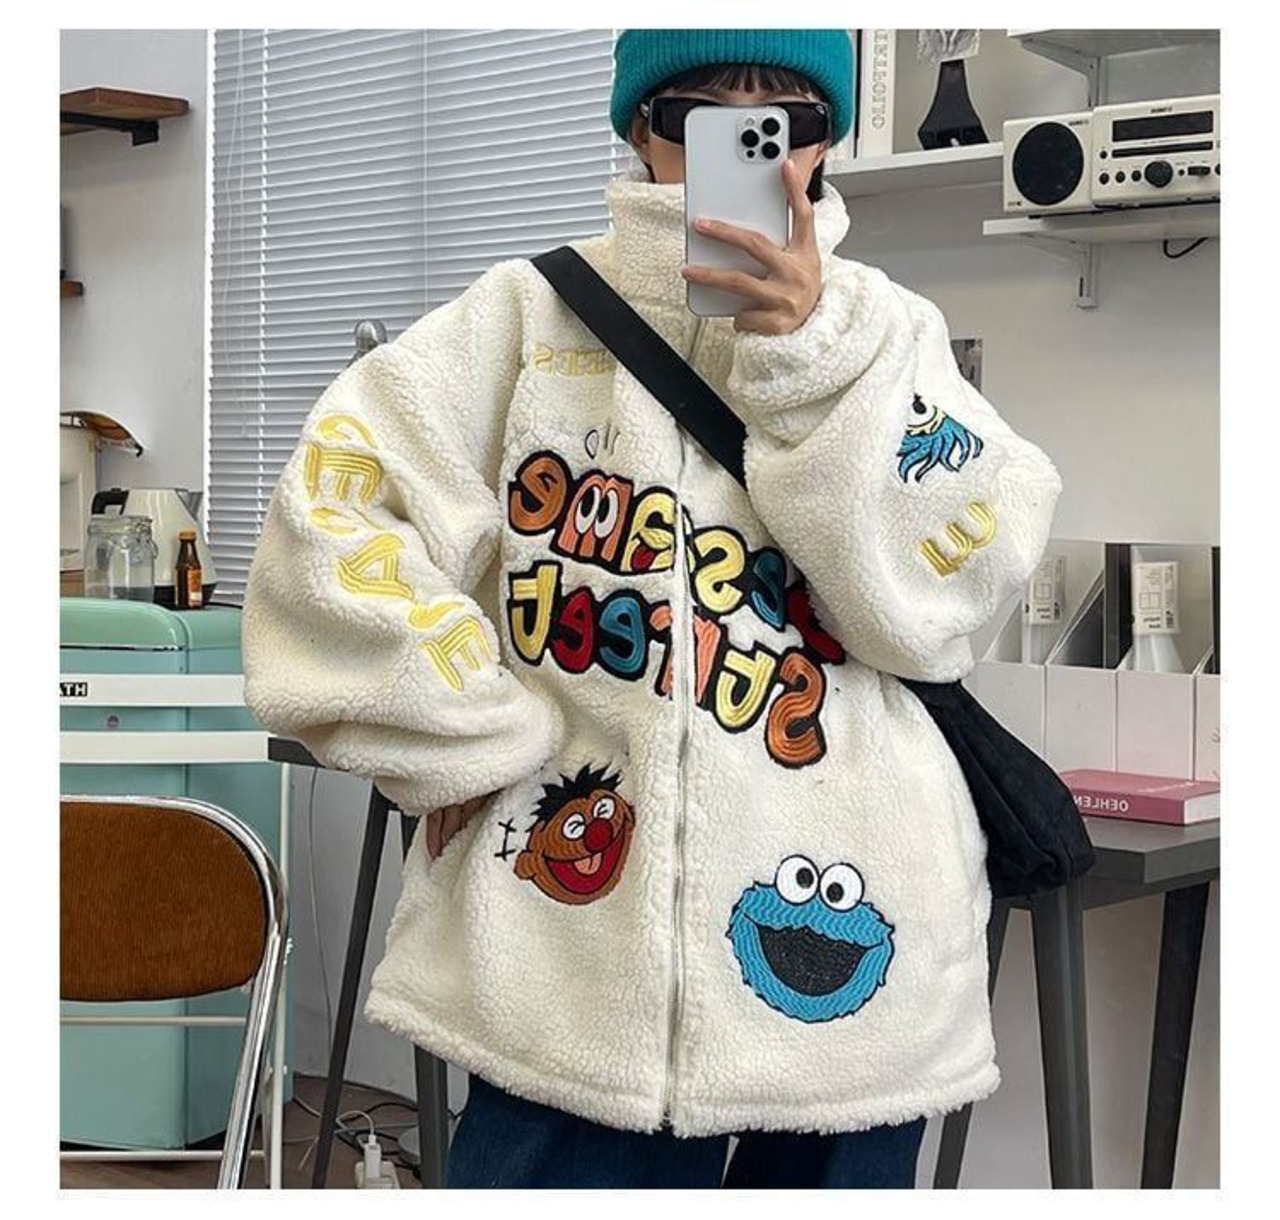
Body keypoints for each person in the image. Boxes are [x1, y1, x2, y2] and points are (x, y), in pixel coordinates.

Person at [241, 29, 1064, 1189]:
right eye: (701, 115)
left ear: (823, 143)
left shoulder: (887, 335)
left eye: (786, 119)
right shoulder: (523, 318)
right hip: (570, 940)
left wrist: (806, 357)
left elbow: (938, 602)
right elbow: (336, 508)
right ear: (640, 129)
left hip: (851, 934)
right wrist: (465, 733)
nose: (750, 147)